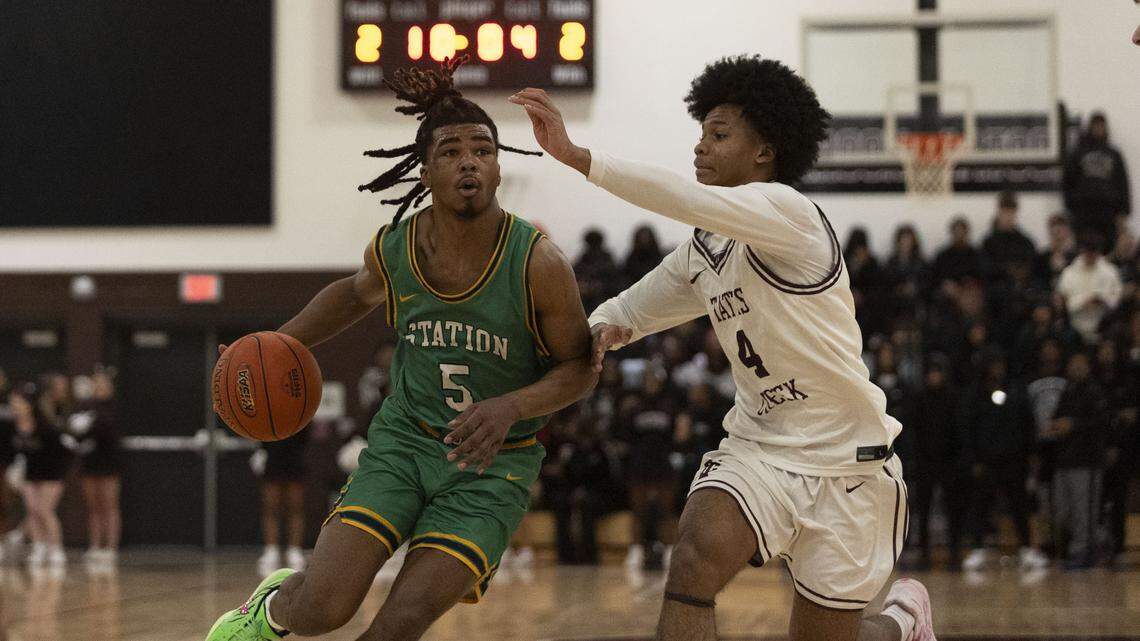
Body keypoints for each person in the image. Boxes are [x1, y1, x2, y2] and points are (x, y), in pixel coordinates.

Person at [511, 55, 935, 641]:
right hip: (759, 448)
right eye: (700, 134)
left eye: (718, 134)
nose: (700, 148)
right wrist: (596, 334)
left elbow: (682, 199)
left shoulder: (792, 214)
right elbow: (630, 310)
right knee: (693, 557)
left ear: (764, 153)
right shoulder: (705, 248)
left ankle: (900, 625)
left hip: (847, 463)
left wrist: (579, 158)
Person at [206, 57, 596, 641]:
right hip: (404, 444)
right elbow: (352, 294)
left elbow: (579, 369)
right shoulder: (399, 247)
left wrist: (511, 406)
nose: (469, 160)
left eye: (483, 149)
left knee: (400, 623)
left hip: (492, 468)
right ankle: (270, 608)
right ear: (425, 171)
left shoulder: (538, 262)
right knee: (323, 609)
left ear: (497, 167)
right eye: (451, 151)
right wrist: (273, 345)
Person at [956, 349, 1047, 571]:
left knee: (1019, 506)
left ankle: (1026, 549)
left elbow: (1027, 424)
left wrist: (1031, 453)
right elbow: (967, 429)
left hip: (1014, 460)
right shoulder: (975, 394)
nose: (998, 369)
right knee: (980, 507)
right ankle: (978, 549)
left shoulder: (1016, 391)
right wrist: (973, 459)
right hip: (985, 461)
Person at [1047, 351, 1109, 568]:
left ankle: (1082, 551)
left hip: (1087, 461)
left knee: (1084, 511)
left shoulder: (1095, 391)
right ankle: (1098, 540)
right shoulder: (1068, 390)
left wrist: (1072, 425)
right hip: (1065, 460)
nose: (1075, 368)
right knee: (1063, 510)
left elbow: (1100, 422)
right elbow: (1056, 417)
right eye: (1072, 364)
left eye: (1080, 364)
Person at [10, 382, 71, 567]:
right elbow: (14, 451)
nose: (15, 407)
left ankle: (56, 548)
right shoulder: (13, 426)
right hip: (30, 472)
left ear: (29, 404)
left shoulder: (45, 426)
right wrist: (16, 467)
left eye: (19, 403)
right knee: (32, 509)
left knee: (45, 511)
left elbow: (61, 451)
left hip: (51, 473)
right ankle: (39, 546)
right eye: (13, 403)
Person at [71, 369, 123, 564]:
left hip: (109, 462)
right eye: (97, 384)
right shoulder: (85, 406)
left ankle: (110, 547)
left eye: (103, 385)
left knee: (109, 505)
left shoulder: (113, 407)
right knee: (93, 506)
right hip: (90, 461)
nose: (100, 388)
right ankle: (94, 545)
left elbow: (110, 431)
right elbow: (76, 430)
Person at [1063, 112, 1131, 252]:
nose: (1099, 129)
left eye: (1101, 126)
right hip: (1083, 213)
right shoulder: (1078, 153)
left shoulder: (1114, 154)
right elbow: (1067, 182)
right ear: (1090, 127)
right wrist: (1071, 207)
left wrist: (1124, 211)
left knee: (1108, 252)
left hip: (1108, 212)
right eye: (1096, 126)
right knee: (1084, 251)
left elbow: (1122, 183)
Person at [255, 430, 309, 574]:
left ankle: (294, 550)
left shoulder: (299, 410)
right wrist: (261, 450)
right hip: (272, 457)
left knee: (296, 507)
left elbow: (306, 436)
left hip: (295, 457)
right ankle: (271, 550)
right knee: (270, 507)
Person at [1056, 233, 1124, 344]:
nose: (1091, 257)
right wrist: (1083, 302)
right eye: (1088, 253)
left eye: (1094, 252)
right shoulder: (1069, 273)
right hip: (1075, 327)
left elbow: (1116, 296)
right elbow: (1063, 300)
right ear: (1082, 251)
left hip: (1103, 326)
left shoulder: (1111, 271)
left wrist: (1103, 301)